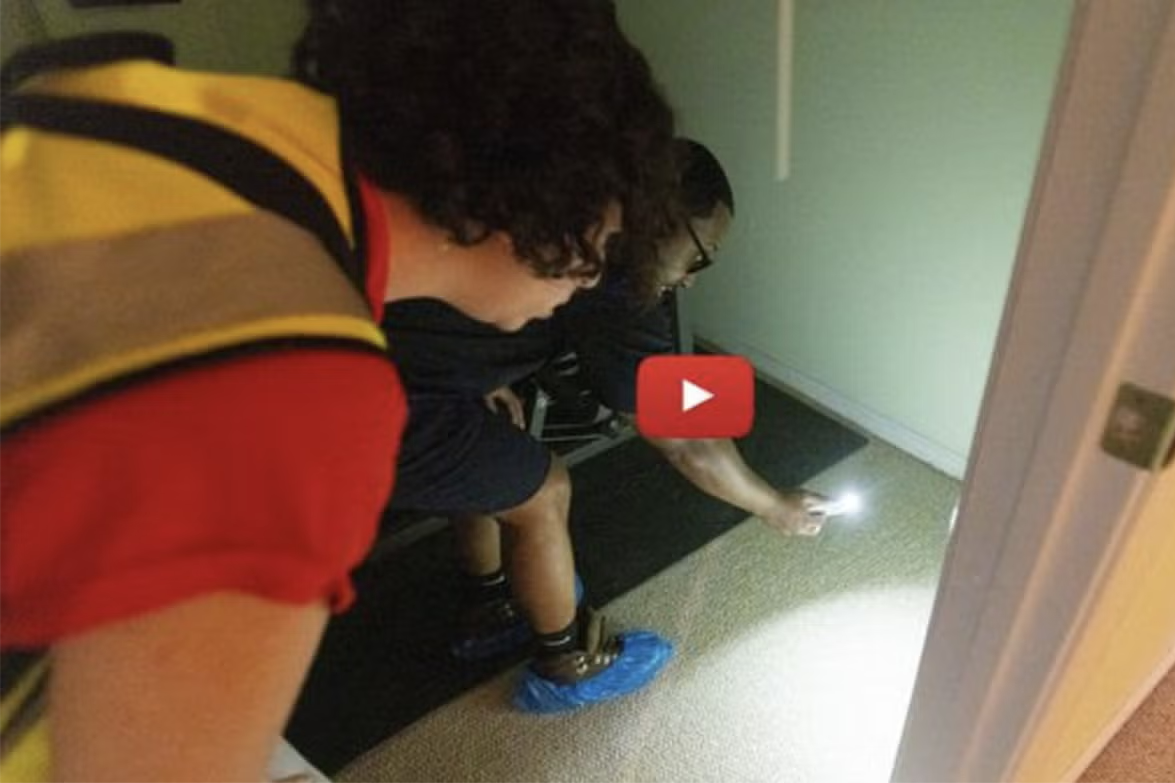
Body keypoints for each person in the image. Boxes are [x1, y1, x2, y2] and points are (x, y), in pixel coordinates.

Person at [0, 0, 678, 779]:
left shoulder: (168, 104)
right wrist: (771, 500)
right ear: (528, 201)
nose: (590, 277)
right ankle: (564, 660)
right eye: (598, 244)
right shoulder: (311, 392)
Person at [381, 138, 828, 714]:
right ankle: (566, 664)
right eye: (699, 256)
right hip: (365, 402)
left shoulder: (556, 197)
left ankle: (491, 606)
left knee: (497, 439)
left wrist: (472, 367)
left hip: (386, 348)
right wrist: (774, 505)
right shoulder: (615, 282)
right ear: (657, 220)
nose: (692, 279)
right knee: (543, 489)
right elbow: (686, 443)